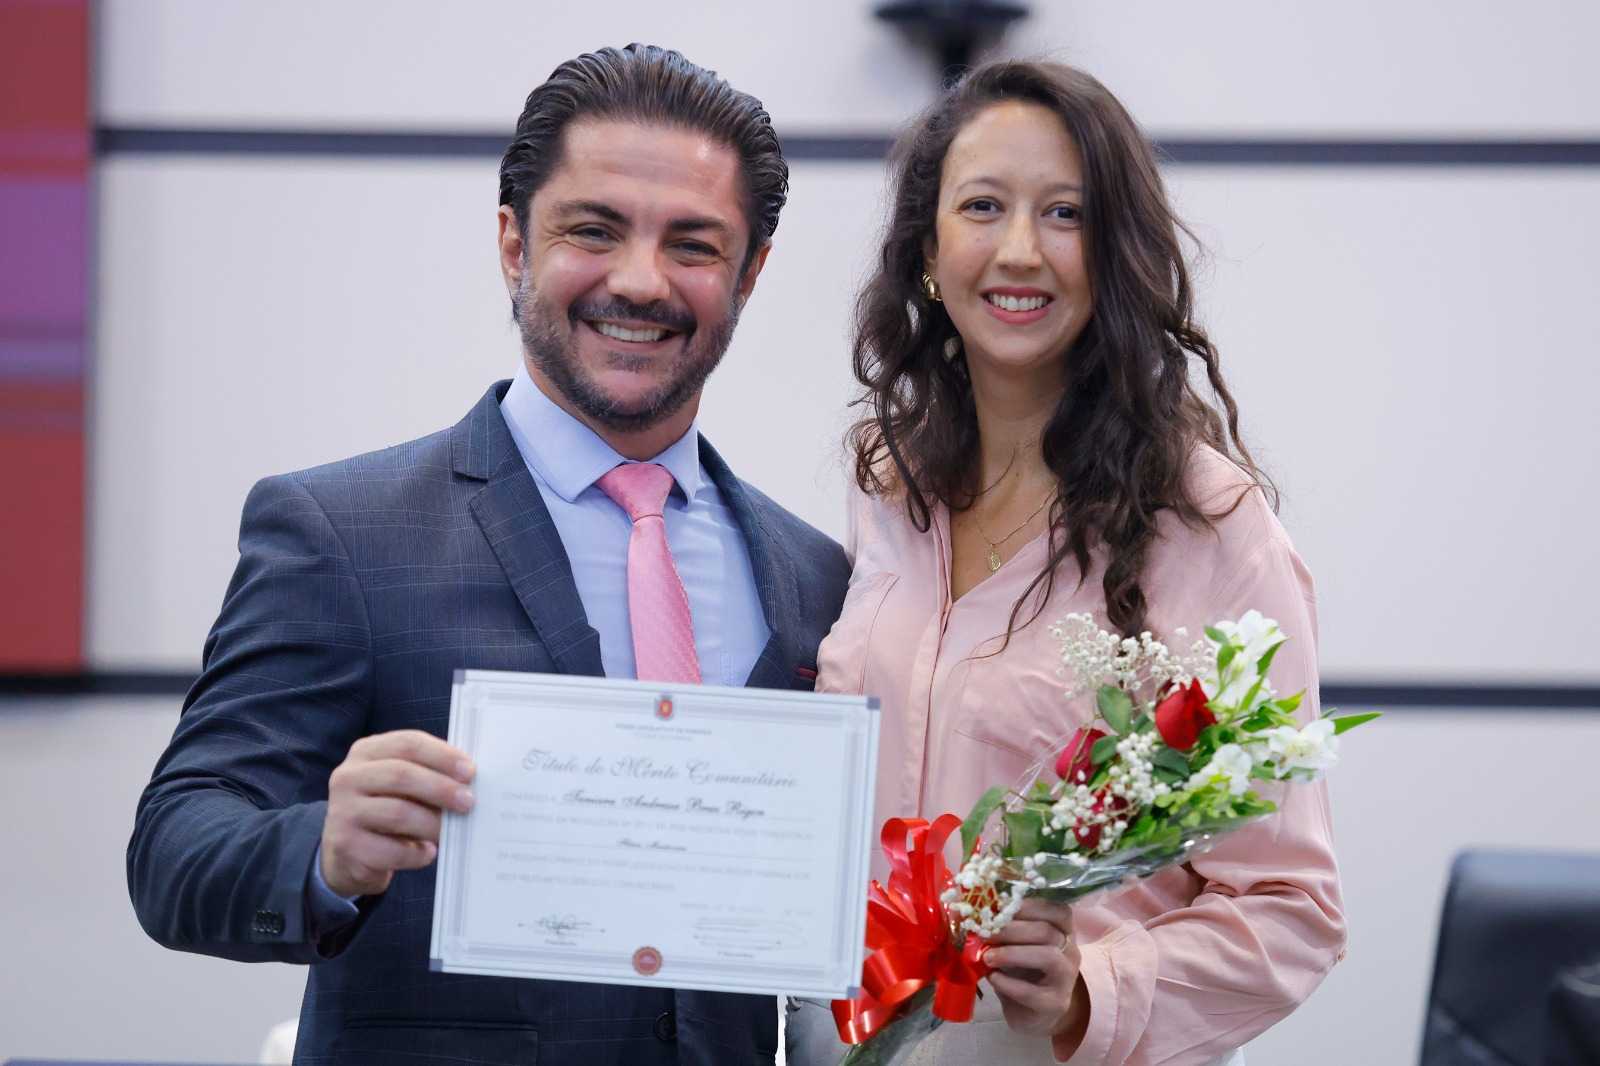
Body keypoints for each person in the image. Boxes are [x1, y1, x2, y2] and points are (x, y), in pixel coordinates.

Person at [127, 44, 849, 1066]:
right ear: (514, 244)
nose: (640, 280)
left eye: (692, 244)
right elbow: (175, 852)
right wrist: (324, 850)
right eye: (593, 230)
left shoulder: (814, 577)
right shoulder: (342, 533)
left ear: (750, 273)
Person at [786, 61, 1344, 1065]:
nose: (1019, 250)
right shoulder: (887, 481)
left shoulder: (1210, 524)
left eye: (1065, 214)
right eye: (982, 206)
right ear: (927, 250)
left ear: (1114, 252)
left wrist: (1091, 988)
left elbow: (1291, 907)